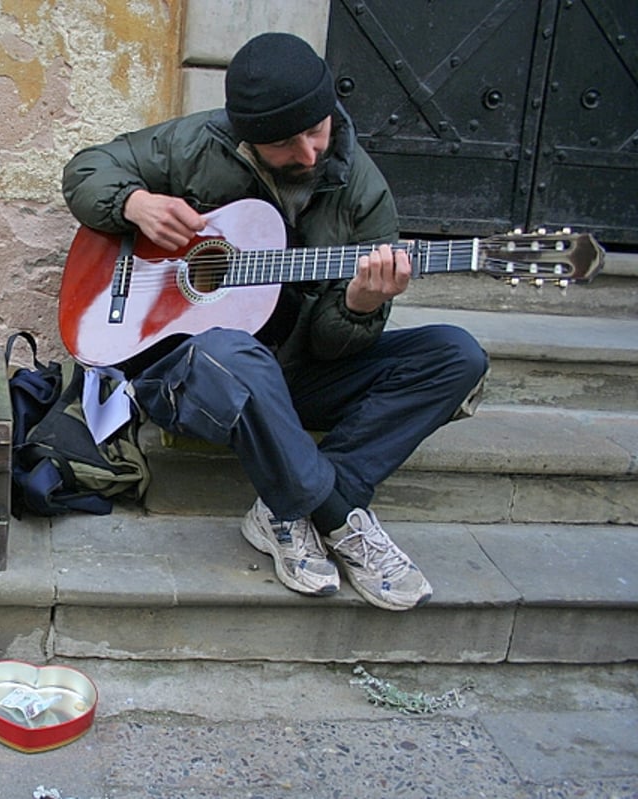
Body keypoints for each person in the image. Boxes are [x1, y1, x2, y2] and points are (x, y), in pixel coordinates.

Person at [61, 32, 489, 611]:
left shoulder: (360, 190)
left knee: (456, 354)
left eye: (317, 129)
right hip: (194, 376)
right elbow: (87, 169)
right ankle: (336, 514)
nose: (310, 153)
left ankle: (283, 507)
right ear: (247, 137)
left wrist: (358, 305)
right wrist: (134, 204)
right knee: (233, 351)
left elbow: (336, 348)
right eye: (286, 143)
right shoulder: (195, 143)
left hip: (298, 373)